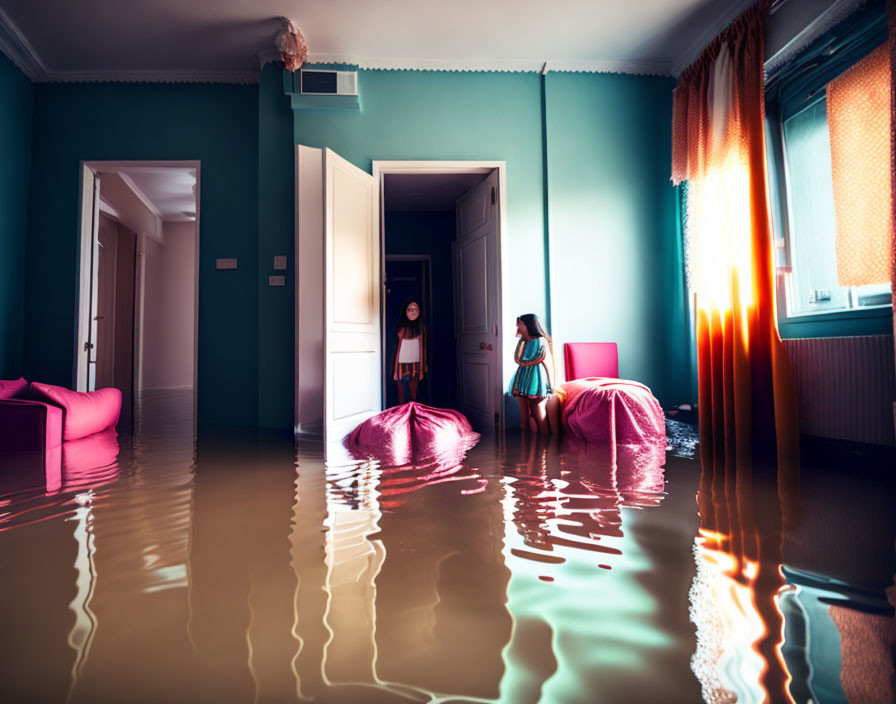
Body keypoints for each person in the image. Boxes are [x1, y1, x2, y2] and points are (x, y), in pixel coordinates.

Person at [510, 313, 554, 435]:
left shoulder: (540, 340)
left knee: (537, 409)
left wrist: (550, 384)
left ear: (528, 325)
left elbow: (539, 358)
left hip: (535, 376)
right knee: (526, 412)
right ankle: (529, 442)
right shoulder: (524, 341)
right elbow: (517, 359)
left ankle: (544, 441)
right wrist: (521, 340)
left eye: (520, 324)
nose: (518, 327)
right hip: (523, 376)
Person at [393, 297, 428, 403]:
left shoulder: (422, 328)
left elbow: (424, 349)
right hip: (401, 367)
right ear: (405, 311)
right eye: (409, 309)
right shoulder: (400, 329)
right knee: (403, 397)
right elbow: (395, 351)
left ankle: (414, 416)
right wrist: (395, 370)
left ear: (419, 311)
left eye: (415, 309)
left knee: (415, 397)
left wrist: (423, 367)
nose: (412, 312)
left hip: (417, 366)